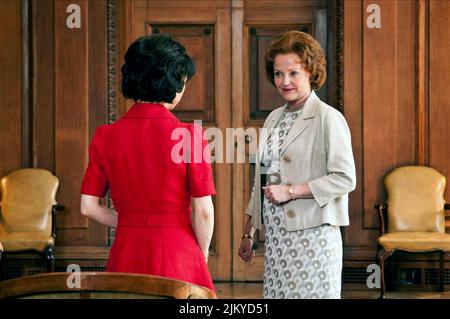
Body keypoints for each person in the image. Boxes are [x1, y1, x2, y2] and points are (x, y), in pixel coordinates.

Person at [80, 35, 216, 291]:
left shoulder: (105, 136)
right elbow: (204, 211)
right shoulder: (188, 135)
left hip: (126, 253)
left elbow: (88, 207)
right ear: (173, 82)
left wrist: (132, 221)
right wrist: (203, 253)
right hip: (179, 254)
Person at [238, 31, 356, 299]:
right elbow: (263, 181)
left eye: (293, 73)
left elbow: (345, 178)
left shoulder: (328, 118)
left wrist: (291, 191)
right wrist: (248, 232)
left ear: (311, 73)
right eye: (279, 74)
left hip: (314, 237)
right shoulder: (273, 119)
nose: (284, 81)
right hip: (278, 240)